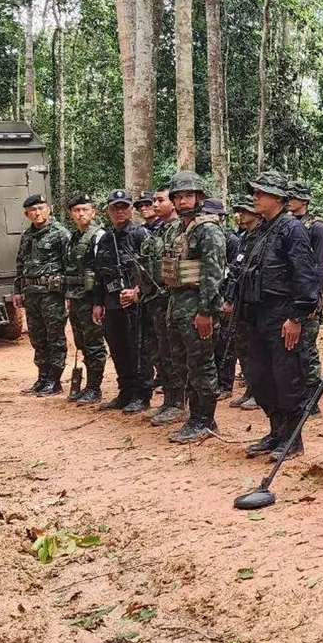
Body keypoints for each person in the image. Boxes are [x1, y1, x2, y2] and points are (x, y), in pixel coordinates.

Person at [236, 172, 321, 460]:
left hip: (282, 314)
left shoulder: (291, 229)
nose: (256, 197)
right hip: (256, 314)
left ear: (279, 199)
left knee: (288, 377)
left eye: (262, 193)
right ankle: (276, 431)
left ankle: (293, 438)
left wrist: (297, 316)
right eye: (255, 192)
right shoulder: (258, 231)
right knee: (260, 377)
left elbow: (305, 275)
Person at [163, 171, 229, 443]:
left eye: (188, 196)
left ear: (199, 197)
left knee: (202, 365)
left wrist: (205, 312)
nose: (182, 202)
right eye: (177, 197)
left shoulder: (208, 230)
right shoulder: (178, 228)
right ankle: (194, 417)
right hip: (177, 304)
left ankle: (205, 419)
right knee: (182, 364)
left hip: (197, 308)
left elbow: (213, 275)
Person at [91, 189, 152, 412]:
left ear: (130, 209)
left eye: (124, 207)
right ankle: (125, 391)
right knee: (117, 349)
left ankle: (142, 394)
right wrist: (98, 303)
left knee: (137, 348)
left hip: (134, 303)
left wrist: (137, 290)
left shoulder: (140, 234)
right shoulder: (106, 238)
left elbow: (152, 268)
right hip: (112, 301)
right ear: (108, 210)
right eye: (115, 208)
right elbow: (99, 273)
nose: (119, 212)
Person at [13, 194, 73, 396]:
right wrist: (18, 291)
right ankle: (42, 377)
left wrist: (69, 294)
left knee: (54, 337)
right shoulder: (27, 236)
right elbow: (20, 263)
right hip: (31, 294)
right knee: (37, 338)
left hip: (52, 294)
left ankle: (54, 381)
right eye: (33, 210)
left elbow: (69, 265)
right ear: (26, 214)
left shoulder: (60, 234)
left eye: (41, 208)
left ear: (49, 209)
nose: (37, 213)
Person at [288, 180, 323, 416]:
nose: (288, 200)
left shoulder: (317, 227)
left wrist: (314, 298)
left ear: (304, 201)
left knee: (307, 349)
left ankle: (312, 398)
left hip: (309, 298)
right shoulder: (287, 225)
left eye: (293, 197)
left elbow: (320, 267)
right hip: (290, 297)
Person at [136, 183, 178, 419]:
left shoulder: (180, 230)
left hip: (169, 300)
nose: (155, 205)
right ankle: (170, 400)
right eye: (155, 201)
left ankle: (178, 403)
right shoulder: (158, 232)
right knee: (160, 354)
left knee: (172, 354)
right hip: (153, 300)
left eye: (160, 200)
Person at [63, 195, 108, 404]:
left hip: (91, 299)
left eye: (84, 209)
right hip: (76, 297)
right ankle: (88, 386)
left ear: (93, 212)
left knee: (94, 343)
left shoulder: (98, 236)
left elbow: (102, 270)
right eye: (76, 210)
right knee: (82, 342)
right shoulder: (74, 237)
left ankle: (94, 387)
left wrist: (99, 301)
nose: (80, 214)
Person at [222, 196, 261, 408]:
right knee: (243, 347)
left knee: (255, 349)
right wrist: (229, 298)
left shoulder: (261, 237)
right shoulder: (244, 238)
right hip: (240, 300)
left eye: (244, 210)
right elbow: (235, 272)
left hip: (255, 301)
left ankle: (258, 392)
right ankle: (250, 388)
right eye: (238, 211)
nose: (240, 215)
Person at [204, 196, 240, 399]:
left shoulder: (231, 240)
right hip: (212, 296)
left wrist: (229, 299)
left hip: (225, 296)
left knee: (226, 342)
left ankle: (226, 384)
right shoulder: (204, 236)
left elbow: (232, 272)